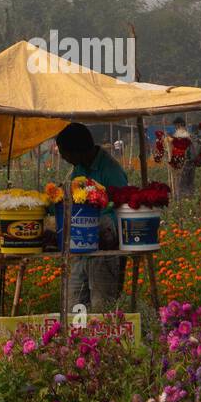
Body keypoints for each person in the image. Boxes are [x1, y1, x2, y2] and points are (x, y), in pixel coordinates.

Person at [55, 122, 129, 311]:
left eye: (65, 152)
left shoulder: (111, 171)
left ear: (77, 150)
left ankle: (104, 340)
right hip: (81, 249)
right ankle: (76, 340)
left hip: (105, 250)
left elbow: (121, 209)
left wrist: (101, 226)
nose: (63, 157)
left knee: (101, 305)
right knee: (74, 304)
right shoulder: (78, 169)